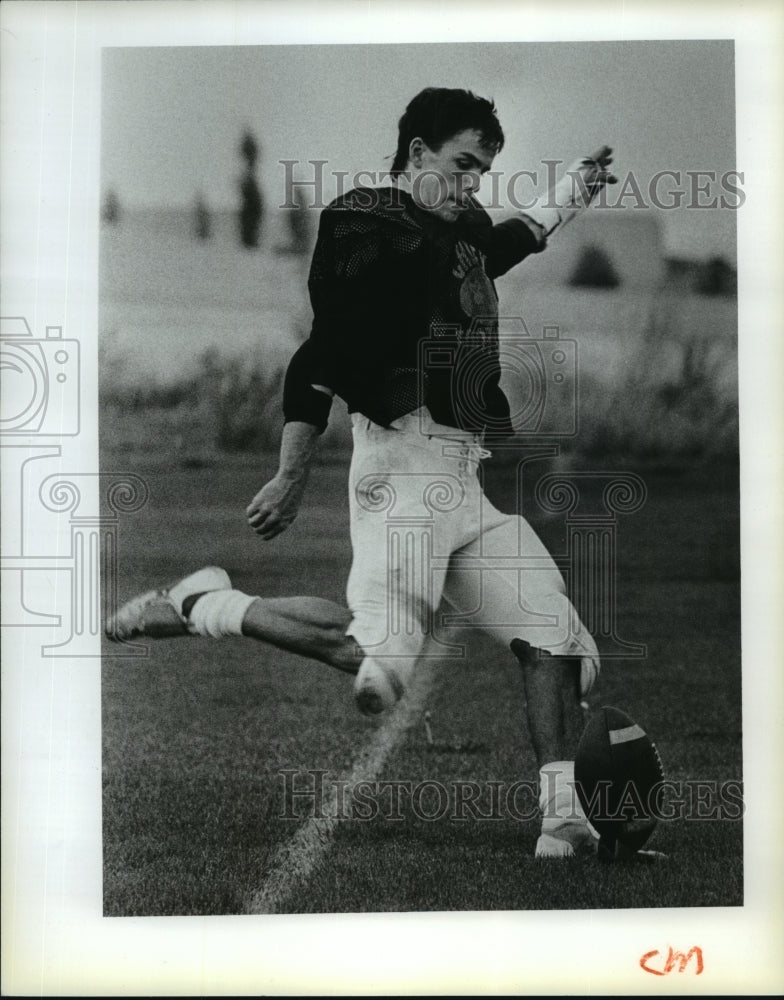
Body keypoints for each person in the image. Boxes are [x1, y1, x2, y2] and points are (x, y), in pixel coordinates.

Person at [108, 88, 616, 858]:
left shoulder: (460, 229)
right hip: (399, 469)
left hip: (462, 476)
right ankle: (209, 603)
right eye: (463, 164)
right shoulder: (363, 225)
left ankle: (562, 821)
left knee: (555, 639)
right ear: (418, 155)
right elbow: (322, 356)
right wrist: (290, 474)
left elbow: (510, 238)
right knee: (376, 659)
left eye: (484, 169)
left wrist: (573, 189)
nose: (475, 181)